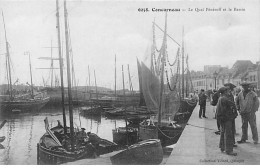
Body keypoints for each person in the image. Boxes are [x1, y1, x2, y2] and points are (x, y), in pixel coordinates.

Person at [216, 87, 237, 156]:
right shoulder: (224, 99)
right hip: (226, 118)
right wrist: (232, 115)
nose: (229, 91)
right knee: (228, 133)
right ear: (225, 91)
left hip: (221, 118)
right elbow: (230, 106)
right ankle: (229, 150)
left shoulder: (221, 98)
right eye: (227, 90)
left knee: (223, 132)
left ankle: (222, 147)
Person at [224, 83, 238, 147]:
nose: (230, 90)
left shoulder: (231, 95)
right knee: (227, 130)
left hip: (231, 114)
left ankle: (232, 142)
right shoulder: (225, 96)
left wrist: (235, 111)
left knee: (232, 128)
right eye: (229, 89)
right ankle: (227, 145)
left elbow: (233, 103)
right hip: (227, 115)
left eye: (230, 89)